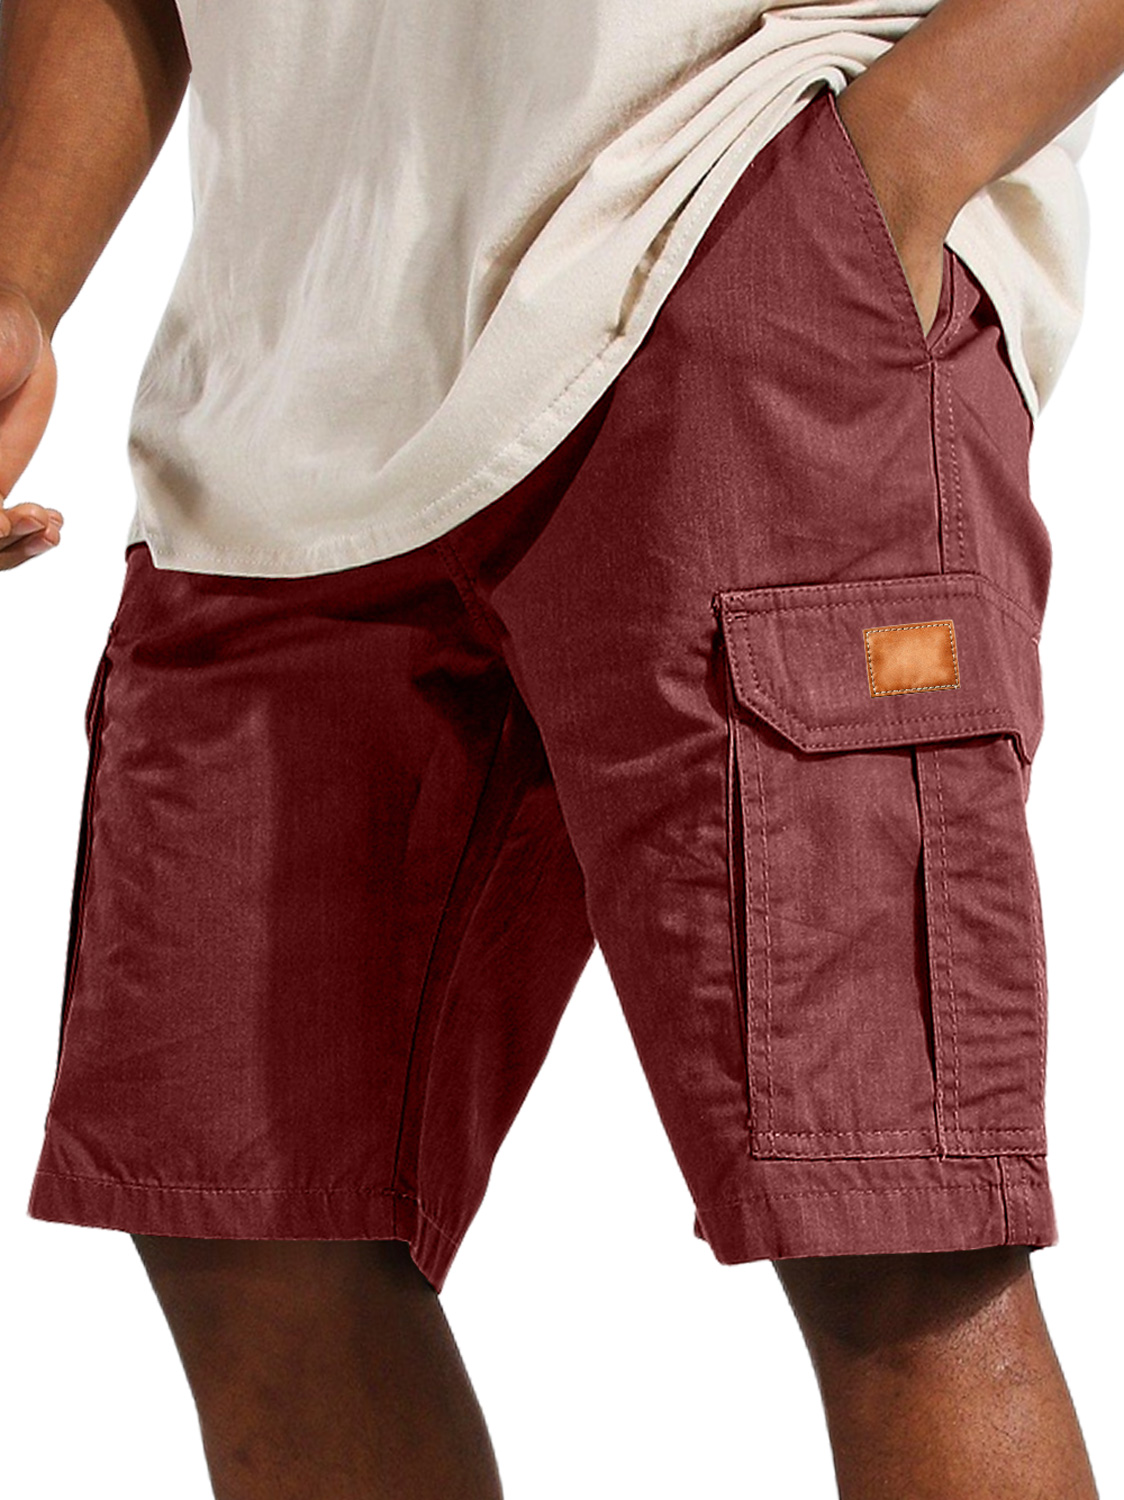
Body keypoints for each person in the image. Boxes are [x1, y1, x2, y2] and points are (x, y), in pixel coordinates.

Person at [4, 0, 1118, 1494]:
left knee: (889, 1227)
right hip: (288, 379)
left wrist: (894, 162)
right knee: (248, 1220)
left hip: (733, 252)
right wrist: (17, 278)